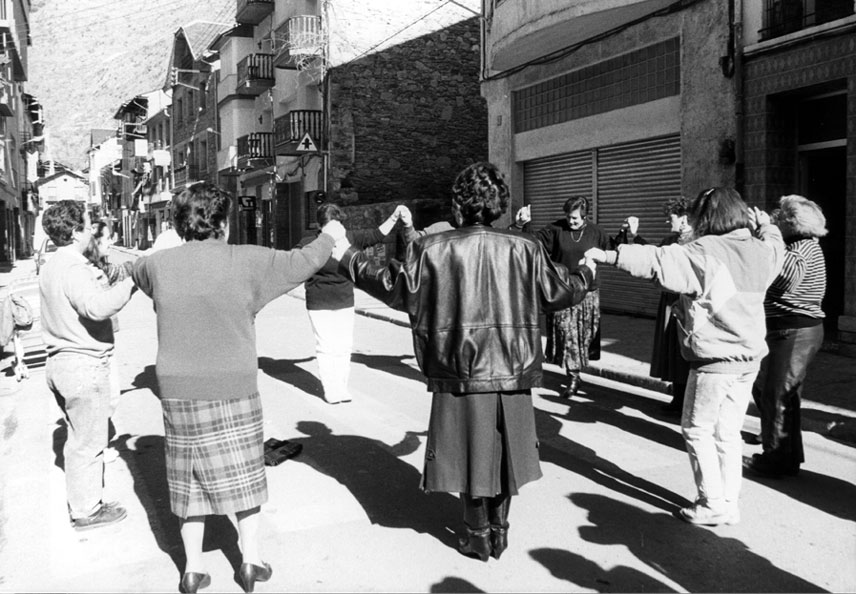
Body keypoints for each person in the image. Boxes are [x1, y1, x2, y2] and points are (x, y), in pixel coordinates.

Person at [339, 162, 597, 561]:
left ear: (459, 204)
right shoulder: (524, 247)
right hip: (512, 369)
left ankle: (477, 535)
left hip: (458, 369)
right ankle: (500, 530)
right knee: (504, 454)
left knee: (468, 457)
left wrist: (349, 258)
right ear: (499, 205)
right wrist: (586, 275)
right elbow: (560, 291)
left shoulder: (434, 248)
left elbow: (392, 286)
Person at [132, 183, 347, 594]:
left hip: (179, 391)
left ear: (178, 226)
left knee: (188, 479)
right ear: (226, 223)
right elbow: (304, 261)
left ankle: (192, 570)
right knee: (245, 476)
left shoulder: (156, 265)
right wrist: (330, 234)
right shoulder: (249, 261)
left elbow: (133, 272)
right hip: (235, 385)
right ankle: (250, 562)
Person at [585, 187, 784, 526]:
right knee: (728, 433)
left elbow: (658, 261)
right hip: (749, 360)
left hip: (715, 361)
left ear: (708, 216)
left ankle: (711, 503)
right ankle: (728, 503)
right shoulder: (760, 251)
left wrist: (609, 256)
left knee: (697, 429)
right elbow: (777, 248)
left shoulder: (705, 251)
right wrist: (767, 226)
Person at [39, 200, 137, 531]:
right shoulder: (74, 268)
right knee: (89, 443)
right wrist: (131, 283)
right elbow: (96, 308)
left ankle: (85, 501)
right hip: (82, 364)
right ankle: (86, 510)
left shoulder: (54, 263)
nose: (91, 228)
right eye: (86, 223)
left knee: (79, 438)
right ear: (77, 231)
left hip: (61, 363)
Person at [514, 198, 641, 397]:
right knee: (566, 334)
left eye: (574, 218)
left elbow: (613, 249)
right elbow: (531, 243)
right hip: (564, 291)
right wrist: (522, 224)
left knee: (581, 338)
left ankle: (575, 373)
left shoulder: (595, 232)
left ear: (585, 216)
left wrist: (625, 232)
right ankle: (573, 375)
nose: (570, 221)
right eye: (568, 217)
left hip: (588, 293)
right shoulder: (556, 230)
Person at [747, 195, 827, 478]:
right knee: (774, 393)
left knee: (777, 394)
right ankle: (787, 454)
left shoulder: (801, 248)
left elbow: (785, 278)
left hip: (794, 331)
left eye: (780, 217)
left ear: (794, 223)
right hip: (788, 330)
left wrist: (767, 236)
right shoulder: (798, 245)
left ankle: (777, 459)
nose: (775, 218)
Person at [296, 203, 405, 404]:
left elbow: (377, 235)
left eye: (337, 223)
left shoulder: (349, 239)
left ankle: (341, 387)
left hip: (345, 299)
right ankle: (331, 389)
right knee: (326, 346)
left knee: (344, 346)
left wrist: (395, 217)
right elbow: (293, 264)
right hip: (319, 302)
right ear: (320, 226)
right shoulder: (308, 242)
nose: (335, 229)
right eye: (331, 224)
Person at [83, 220, 134, 463]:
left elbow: (122, 271)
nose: (111, 242)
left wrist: (147, 263)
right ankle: (96, 448)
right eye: (108, 238)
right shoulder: (89, 270)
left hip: (103, 339)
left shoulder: (102, 265)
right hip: (95, 343)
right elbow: (106, 300)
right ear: (97, 241)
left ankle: (98, 444)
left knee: (109, 395)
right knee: (107, 395)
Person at [650, 197, 693, 416]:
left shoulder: (699, 242)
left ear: (684, 218)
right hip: (669, 301)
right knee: (672, 350)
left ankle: (686, 400)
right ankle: (678, 397)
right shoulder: (669, 240)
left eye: (672, 219)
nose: (670, 223)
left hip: (685, 302)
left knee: (683, 349)